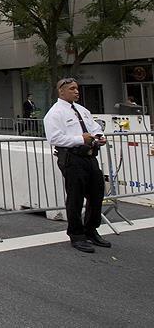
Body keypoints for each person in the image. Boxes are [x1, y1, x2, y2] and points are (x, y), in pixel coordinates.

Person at [43, 77, 109, 253]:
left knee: (96, 193)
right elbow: (54, 138)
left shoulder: (82, 110)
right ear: (61, 91)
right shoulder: (55, 113)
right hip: (72, 158)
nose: (76, 91)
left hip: (90, 156)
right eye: (72, 89)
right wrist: (80, 139)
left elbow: (94, 128)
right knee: (76, 196)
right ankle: (76, 234)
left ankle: (91, 230)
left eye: (77, 88)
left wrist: (99, 137)